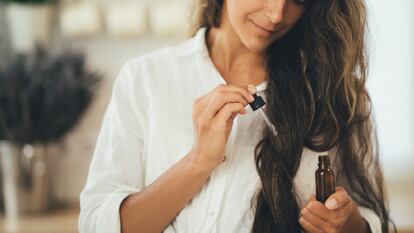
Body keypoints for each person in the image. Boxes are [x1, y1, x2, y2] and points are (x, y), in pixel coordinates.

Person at [79, 0, 391, 232]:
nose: (277, 14)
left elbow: (372, 221)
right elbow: (97, 224)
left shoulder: (336, 97)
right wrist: (198, 161)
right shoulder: (145, 78)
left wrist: (348, 225)